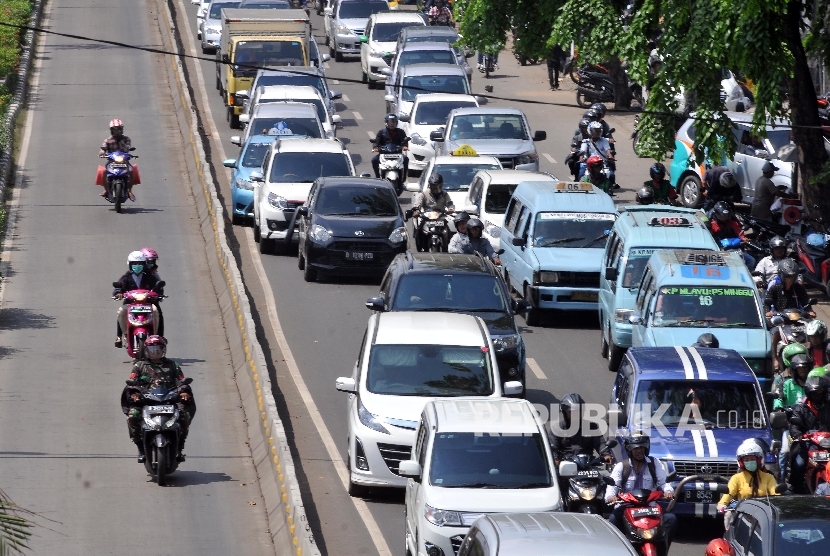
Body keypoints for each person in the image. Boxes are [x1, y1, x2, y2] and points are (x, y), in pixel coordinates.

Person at [121, 336, 195, 462]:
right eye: (152, 349)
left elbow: (182, 382)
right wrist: (134, 394)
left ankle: (179, 447)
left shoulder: (173, 365)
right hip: (146, 400)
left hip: (169, 400)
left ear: (163, 350)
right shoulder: (139, 366)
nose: (155, 352)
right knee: (133, 415)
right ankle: (140, 448)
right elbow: (131, 383)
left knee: (184, 415)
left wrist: (184, 392)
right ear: (146, 350)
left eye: (158, 349)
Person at [605, 433, 677, 545]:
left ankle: (663, 547)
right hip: (626, 507)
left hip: (650, 507)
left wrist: (668, 491)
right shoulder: (621, 466)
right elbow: (612, 486)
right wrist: (611, 497)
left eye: (642, 447)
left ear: (646, 448)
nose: (639, 451)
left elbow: (663, 482)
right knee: (613, 519)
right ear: (629, 449)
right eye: (635, 448)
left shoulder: (654, 463)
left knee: (670, 519)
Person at [765, 258, 815, 371]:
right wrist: (768, 312)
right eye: (788, 277)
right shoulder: (774, 288)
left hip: (797, 317)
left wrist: (810, 311)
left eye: (792, 277)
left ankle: (813, 355)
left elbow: (806, 302)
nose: (790, 280)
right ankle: (776, 358)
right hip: (780, 318)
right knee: (775, 334)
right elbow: (767, 302)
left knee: (812, 329)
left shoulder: (799, 288)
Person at [717, 439, 779, 528]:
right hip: (742, 513)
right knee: (728, 515)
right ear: (741, 462)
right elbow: (728, 494)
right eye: (746, 460)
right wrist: (722, 505)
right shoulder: (736, 478)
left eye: (752, 459)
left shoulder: (768, 477)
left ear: (758, 460)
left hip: (763, 514)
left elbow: (776, 495)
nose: (750, 462)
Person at [773, 353, 812, 480]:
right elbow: (779, 399)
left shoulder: (814, 384)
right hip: (792, 426)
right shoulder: (786, 384)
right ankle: (781, 481)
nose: (803, 370)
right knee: (784, 451)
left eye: (805, 368)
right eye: (800, 368)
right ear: (794, 370)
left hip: (812, 425)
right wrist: (779, 409)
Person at [788, 375, 830, 492]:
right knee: (799, 464)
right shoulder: (800, 408)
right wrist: (798, 435)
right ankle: (796, 489)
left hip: (827, 445)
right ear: (809, 393)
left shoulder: (828, 406)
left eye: (820, 392)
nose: (817, 395)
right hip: (807, 445)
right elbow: (794, 426)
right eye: (814, 393)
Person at [113, 251, 163, 348]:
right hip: (130, 304)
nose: (137, 266)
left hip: (147, 304)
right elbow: (119, 287)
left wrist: (158, 295)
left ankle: (156, 336)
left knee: (156, 310)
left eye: (139, 264)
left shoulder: (150, 277)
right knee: (121, 311)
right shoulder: (126, 278)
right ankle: (124, 335)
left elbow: (158, 288)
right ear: (130, 265)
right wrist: (118, 293)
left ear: (144, 265)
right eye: (134, 264)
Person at [551, 393, 614, 467]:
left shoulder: (591, 426)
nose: (576, 414)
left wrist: (606, 454)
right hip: (566, 466)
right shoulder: (557, 429)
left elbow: (600, 443)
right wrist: (555, 459)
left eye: (578, 411)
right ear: (565, 412)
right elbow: (552, 447)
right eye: (572, 412)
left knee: (606, 478)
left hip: (588, 464)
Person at [412, 173, 454, 251]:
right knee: (419, 231)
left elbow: (449, 203)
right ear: (429, 185)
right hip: (427, 219)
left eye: (437, 185)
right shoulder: (424, 194)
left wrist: (451, 209)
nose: (435, 187)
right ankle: (420, 247)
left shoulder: (445, 194)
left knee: (449, 232)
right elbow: (417, 203)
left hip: (440, 219)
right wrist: (416, 211)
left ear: (440, 185)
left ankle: (448, 248)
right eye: (433, 185)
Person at [709, 201, 755, 268]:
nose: (725, 218)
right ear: (717, 214)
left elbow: (741, 235)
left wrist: (744, 239)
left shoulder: (733, 223)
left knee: (751, 260)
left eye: (726, 216)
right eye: (723, 216)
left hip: (735, 249)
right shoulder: (712, 225)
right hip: (720, 251)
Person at [99, 118, 135, 201]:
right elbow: (103, 148)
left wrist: (121, 142)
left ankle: (129, 191)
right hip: (111, 162)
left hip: (124, 161)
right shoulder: (108, 140)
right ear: (111, 130)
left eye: (118, 129)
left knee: (132, 171)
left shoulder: (126, 139)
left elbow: (128, 148)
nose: (116, 131)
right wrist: (102, 152)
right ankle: (106, 189)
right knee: (104, 171)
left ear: (121, 129)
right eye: (114, 130)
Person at [371, 113, 408, 179]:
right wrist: (375, 147)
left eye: (394, 122)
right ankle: (377, 177)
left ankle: (403, 177)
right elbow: (376, 141)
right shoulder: (381, 132)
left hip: (397, 154)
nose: (392, 124)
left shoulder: (401, 132)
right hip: (384, 154)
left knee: (405, 159)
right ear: (386, 123)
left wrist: (405, 146)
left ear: (396, 123)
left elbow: (404, 140)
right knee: (374, 160)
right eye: (390, 122)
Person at [140, 247, 165, 337]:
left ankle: (160, 336)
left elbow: (160, 288)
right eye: (149, 262)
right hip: (135, 301)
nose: (152, 264)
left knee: (157, 312)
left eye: (153, 262)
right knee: (123, 310)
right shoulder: (133, 274)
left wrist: (158, 295)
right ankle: (119, 336)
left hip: (150, 301)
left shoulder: (154, 274)